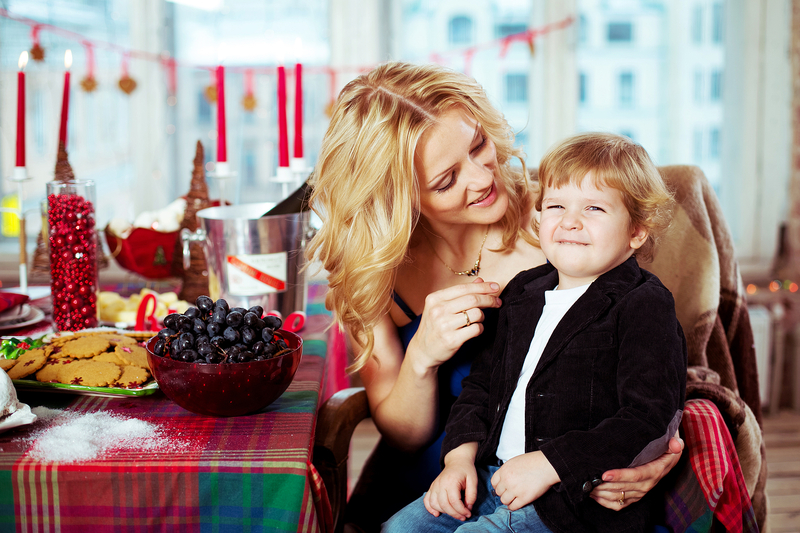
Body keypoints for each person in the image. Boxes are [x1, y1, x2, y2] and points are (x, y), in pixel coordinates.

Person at [306, 62, 684, 532]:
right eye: (446, 180)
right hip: (439, 481)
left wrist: (653, 456)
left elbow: (646, 368)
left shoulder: (560, 223)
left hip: (555, 491)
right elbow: (405, 438)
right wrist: (422, 356)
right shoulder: (371, 268)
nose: (483, 178)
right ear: (397, 198)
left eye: (478, 145)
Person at [382, 132, 688, 533]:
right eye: (556, 206)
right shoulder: (523, 291)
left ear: (636, 232)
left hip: (573, 500)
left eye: (594, 208)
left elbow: (647, 416)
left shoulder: (645, 303)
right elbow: (481, 387)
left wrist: (550, 464)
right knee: (399, 528)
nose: (570, 221)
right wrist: (458, 460)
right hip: (492, 477)